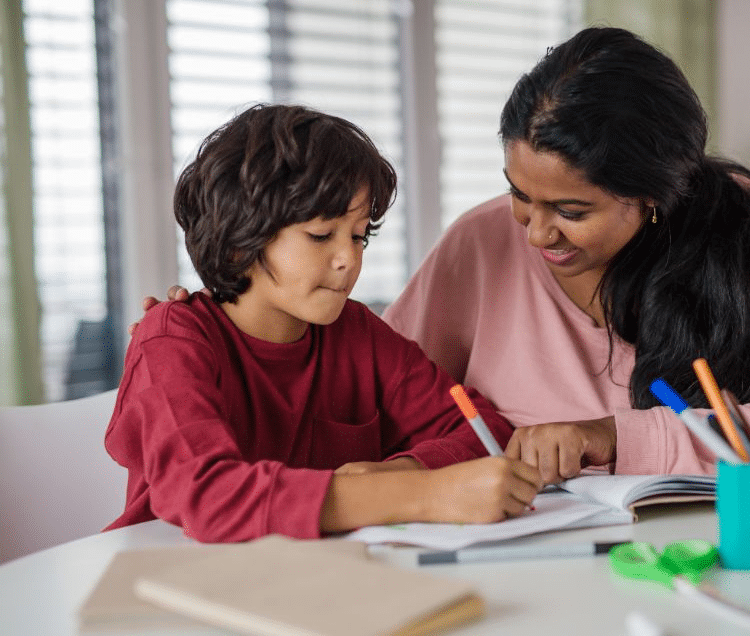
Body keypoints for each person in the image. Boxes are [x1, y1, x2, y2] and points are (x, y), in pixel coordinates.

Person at [152, 27, 750, 486]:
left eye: (572, 212)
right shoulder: (480, 244)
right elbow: (360, 391)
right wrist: (223, 326)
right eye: (519, 194)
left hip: (738, 553)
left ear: (654, 196)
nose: (534, 234)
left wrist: (607, 438)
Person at [106, 104, 541, 543]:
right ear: (241, 239)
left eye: (358, 235)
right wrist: (415, 493)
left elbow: (481, 426)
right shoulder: (172, 338)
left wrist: (396, 473)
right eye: (320, 235)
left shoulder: (356, 332)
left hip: (316, 578)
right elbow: (208, 494)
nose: (349, 260)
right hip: (172, 579)